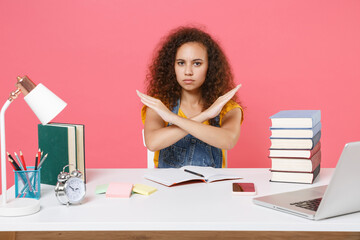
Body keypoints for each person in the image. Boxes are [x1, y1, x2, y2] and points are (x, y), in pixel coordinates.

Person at [137, 26, 244, 168]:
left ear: (210, 67)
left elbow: (228, 141)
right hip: (169, 189)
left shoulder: (227, 108)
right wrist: (205, 115)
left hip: (211, 189)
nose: (188, 71)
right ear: (172, 67)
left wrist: (173, 119)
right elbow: (153, 143)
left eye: (197, 63)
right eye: (181, 63)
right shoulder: (160, 105)